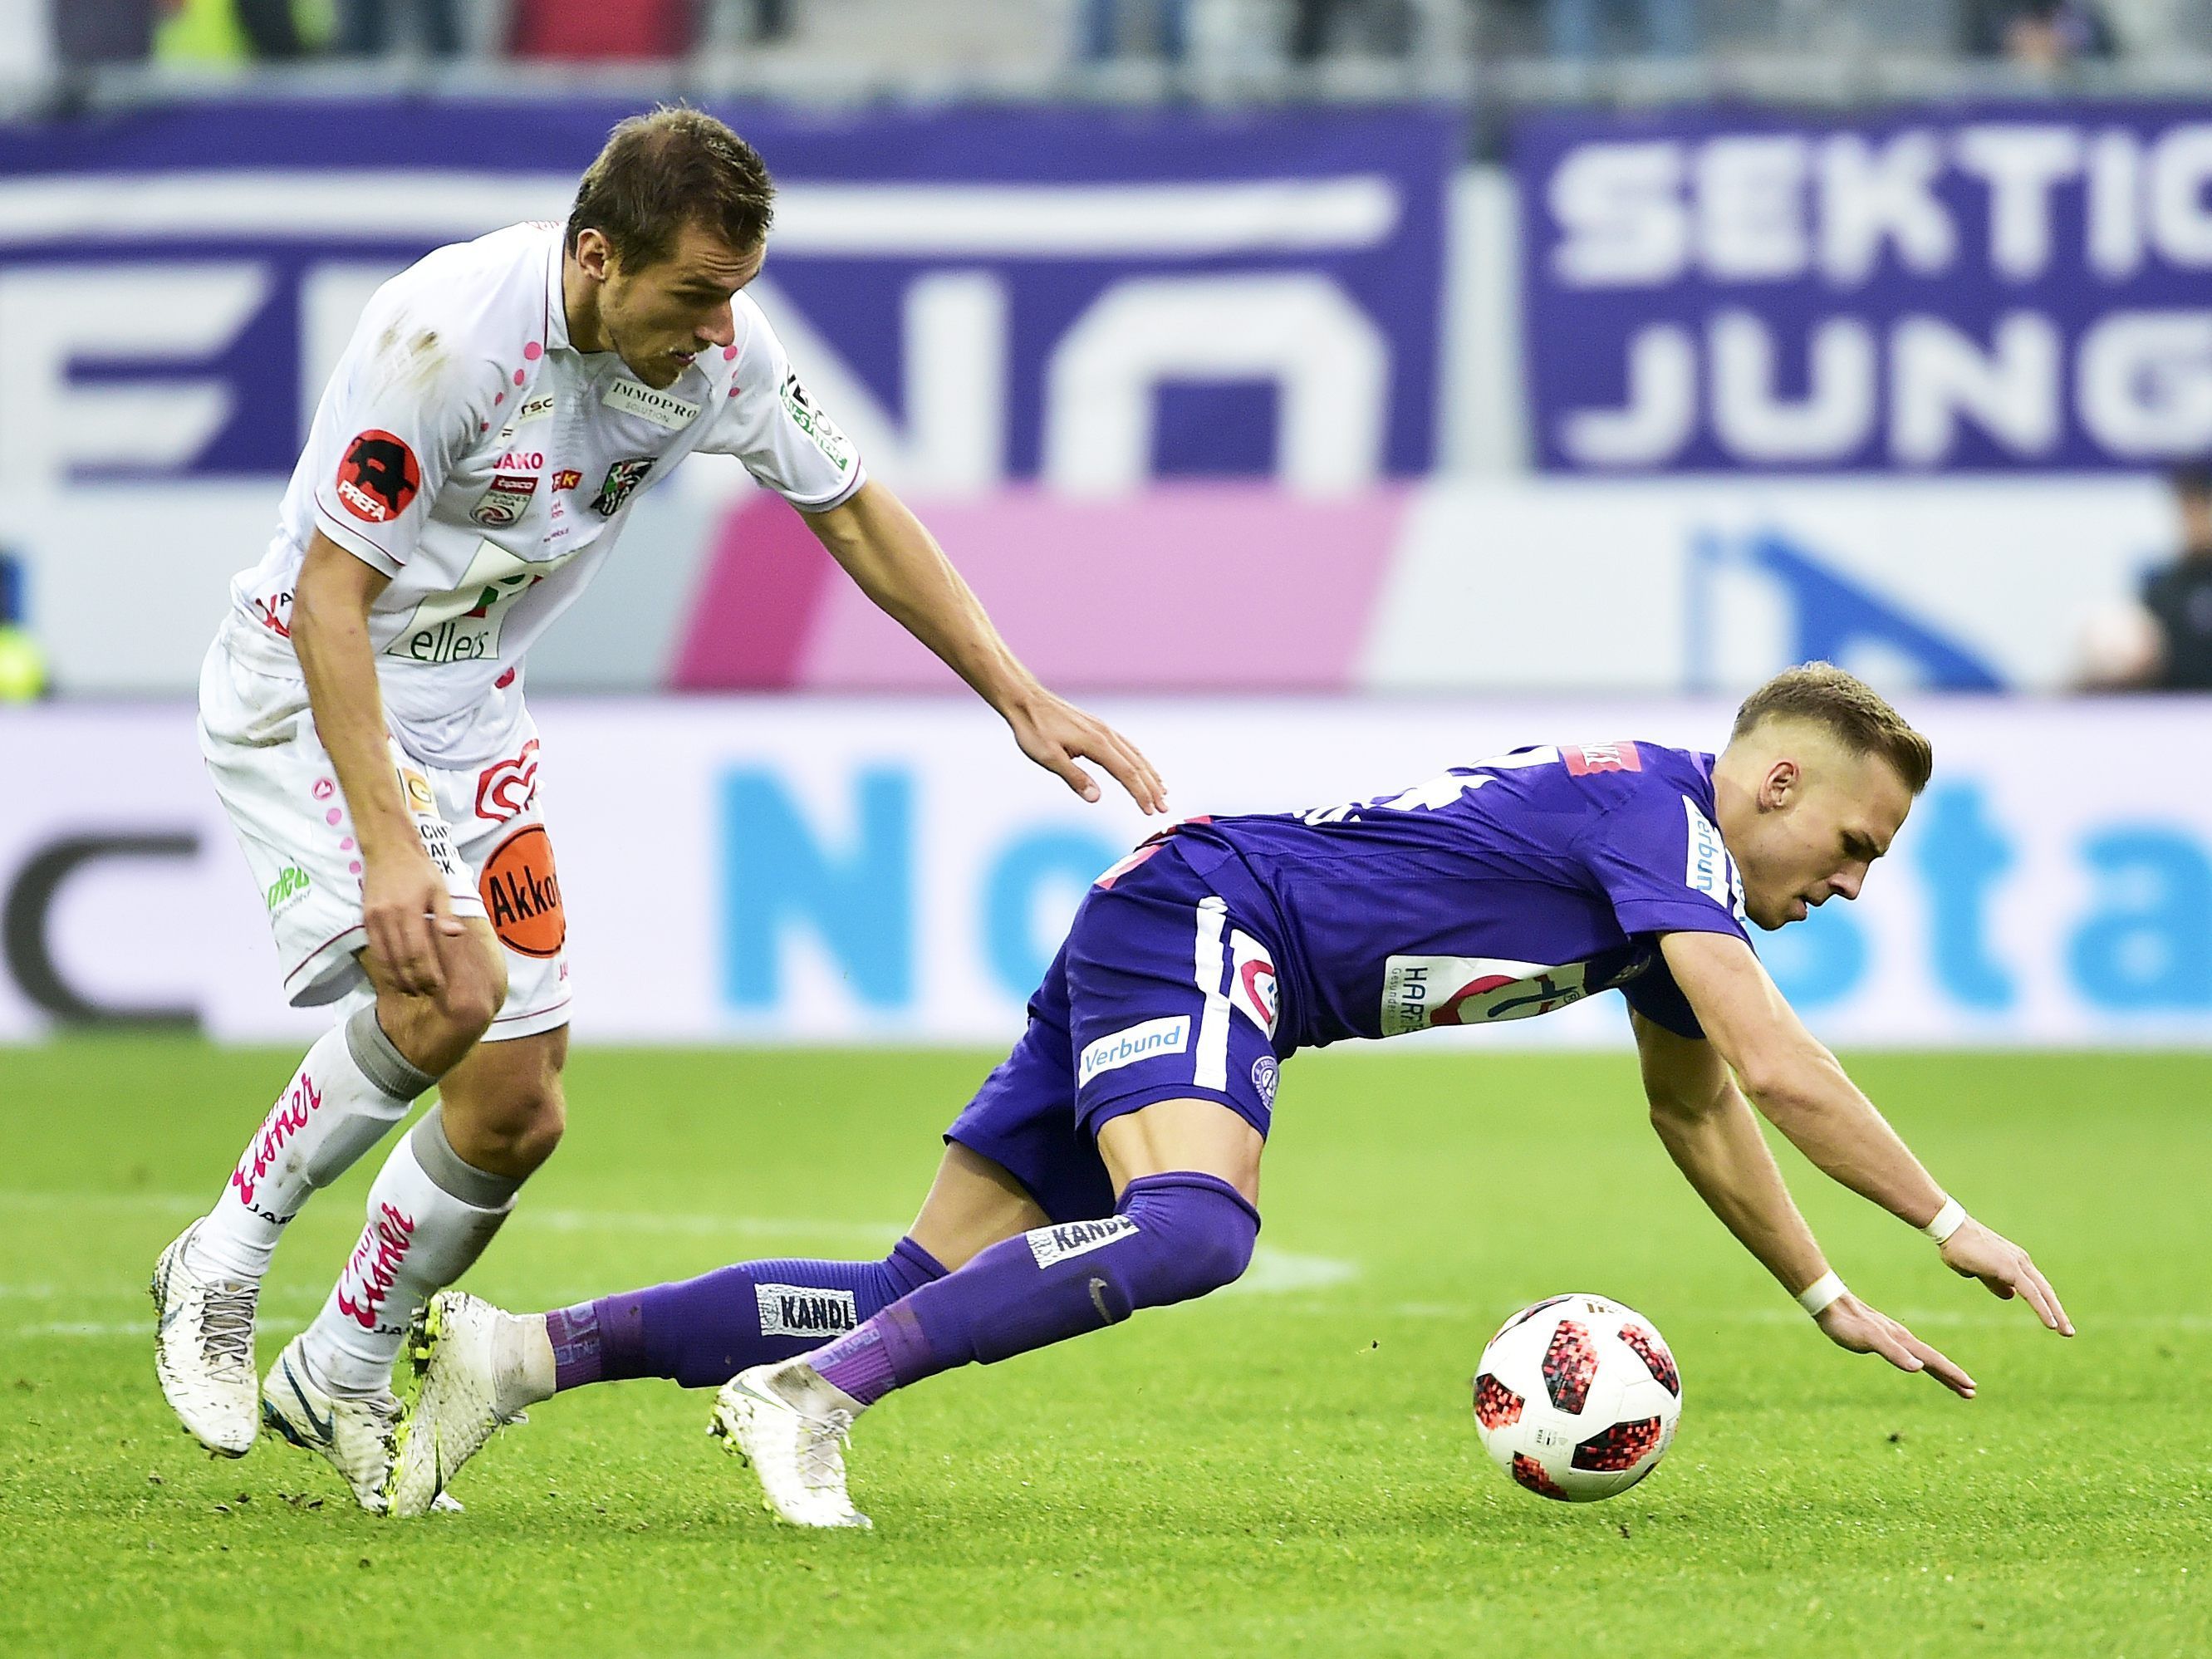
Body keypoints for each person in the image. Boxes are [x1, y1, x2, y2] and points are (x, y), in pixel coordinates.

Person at [390, 664, 2072, 1524]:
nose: (1850, 878)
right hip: (1215, 919)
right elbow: (1777, 1061)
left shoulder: (1663, 893)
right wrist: (1942, 1214)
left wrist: (1826, 1288)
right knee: (1193, 1227)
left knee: (924, 1280)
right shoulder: (1658, 813)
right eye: (1849, 840)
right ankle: (815, 1395)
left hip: (1189, 923)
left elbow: (1702, 1106)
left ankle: (525, 1351)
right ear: (1774, 777)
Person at [150, 106, 1167, 1513]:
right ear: (593, 259)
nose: (716, 333)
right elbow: (332, 592)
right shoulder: (441, 335)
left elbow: (858, 510)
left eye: (732, 298)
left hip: (473, 712)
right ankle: (223, 1256)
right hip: (316, 681)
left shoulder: (717, 351)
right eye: (692, 298)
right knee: (449, 984)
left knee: (516, 1105)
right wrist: (390, 846)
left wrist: (1014, 691)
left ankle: (340, 1366)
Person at [2078, 463, 2212, 691]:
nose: (2194, 516)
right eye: (2186, 505)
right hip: (2175, 716)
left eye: (2202, 503)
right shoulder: (2162, 589)